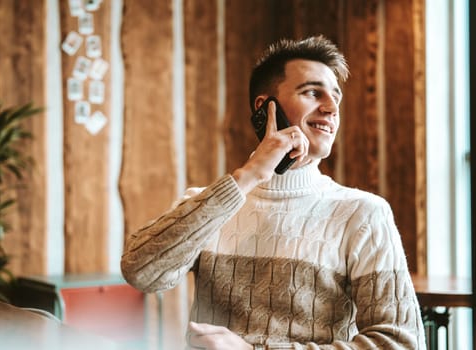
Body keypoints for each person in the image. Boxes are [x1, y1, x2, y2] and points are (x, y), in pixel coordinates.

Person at [121, 36, 426, 349]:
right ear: (265, 107)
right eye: (312, 92)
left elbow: (400, 344)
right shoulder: (208, 205)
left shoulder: (363, 213)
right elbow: (141, 272)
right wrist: (250, 175)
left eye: (336, 97)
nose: (332, 107)